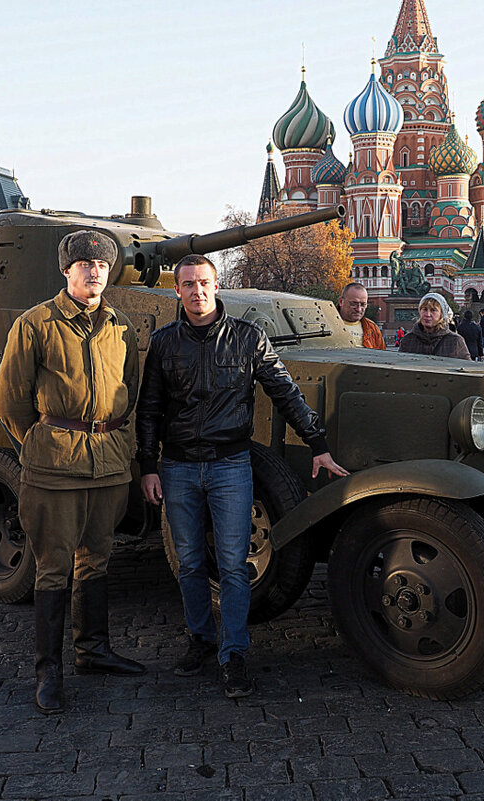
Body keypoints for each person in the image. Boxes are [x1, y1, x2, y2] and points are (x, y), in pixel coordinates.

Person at [137, 254, 346, 699]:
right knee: (191, 563)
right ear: (177, 291)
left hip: (231, 465)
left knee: (233, 567)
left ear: (218, 286)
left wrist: (319, 445)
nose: (197, 291)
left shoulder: (248, 338)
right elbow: (149, 409)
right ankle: (200, 638)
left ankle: (233, 653)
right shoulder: (163, 343)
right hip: (177, 466)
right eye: (188, 284)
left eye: (204, 283)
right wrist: (148, 466)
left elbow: (285, 392)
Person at [0, 231, 145, 717]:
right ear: (66, 270)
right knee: (53, 566)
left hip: (109, 463)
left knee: (96, 559)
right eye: (84, 264)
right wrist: (43, 442)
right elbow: (8, 401)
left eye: (101, 265)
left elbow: (131, 389)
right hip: (55, 466)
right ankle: (47, 672)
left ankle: (93, 651)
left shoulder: (121, 326)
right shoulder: (35, 323)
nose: (94, 271)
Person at [399, 293, 470, 359]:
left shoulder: (455, 341)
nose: (428, 314)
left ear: (442, 314)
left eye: (433, 310)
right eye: (424, 309)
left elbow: (467, 369)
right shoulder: (408, 340)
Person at [335, 283, 385, 350]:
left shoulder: (372, 328)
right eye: (353, 304)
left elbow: (382, 356)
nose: (358, 309)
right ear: (341, 302)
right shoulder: (325, 324)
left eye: (363, 305)